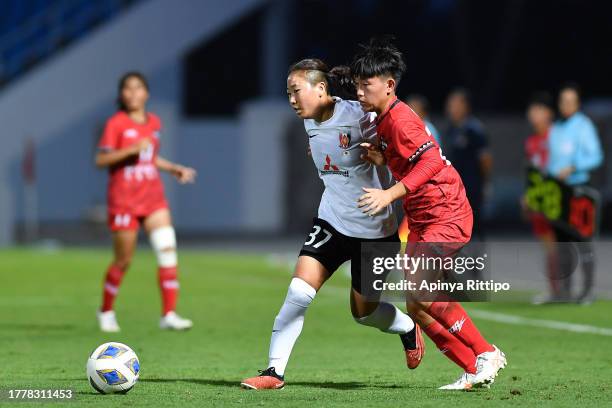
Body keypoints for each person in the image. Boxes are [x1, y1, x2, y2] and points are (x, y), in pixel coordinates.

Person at [241, 59, 423, 390]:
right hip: (332, 222)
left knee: (363, 313)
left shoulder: (361, 117)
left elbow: (403, 157)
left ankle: (408, 327)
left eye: (296, 91)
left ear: (321, 88)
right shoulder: (309, 120)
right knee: (298, 292)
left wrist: (383, 157)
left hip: (376, 233)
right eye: (287, 94)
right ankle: (273, 372)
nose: (292, 100)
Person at [352, 38, 506, 390]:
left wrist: (389, 192)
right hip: (423, 217)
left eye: (366, 85)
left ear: (389, 85)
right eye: (357, 85)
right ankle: (472, 368)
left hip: (445, 211)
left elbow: (432, 160)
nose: (360, 92)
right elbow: (408, 161)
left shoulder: (402, 120)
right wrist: (382, 158)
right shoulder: (384, 121)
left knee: (422, 293)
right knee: (417, 306)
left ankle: (486, 352)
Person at [95, 72, 196, 332]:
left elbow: (149, 158)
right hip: (124, 200)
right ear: (122, 94)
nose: (132, 93)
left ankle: (169, 314)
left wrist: (174, 168)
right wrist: (128, 150)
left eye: (137, 88)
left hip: (152, 198)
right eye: (127, 89)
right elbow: (101, 160)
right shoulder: (115, 124)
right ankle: (106, 311)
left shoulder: (154, 123)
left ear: (146, 93)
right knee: (123, 260)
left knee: (167, 251)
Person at [546, 83, 603, 304]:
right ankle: (565, 291)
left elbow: (596, 156)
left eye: (570, 101)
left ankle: (587, 290)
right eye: (563, 101)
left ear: (577, 104)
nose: (566, 105)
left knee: (583, 241)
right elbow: (552, 161)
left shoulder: (583, 126)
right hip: (559, 192)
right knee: (562, 243)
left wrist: (574, 166)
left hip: (579, 189)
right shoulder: (556, 128)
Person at [522, 92, 561, 304]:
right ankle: (555, 289)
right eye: (532, 110)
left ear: (548, 113)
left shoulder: (556, 137)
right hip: (539, 201)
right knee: (549, 247)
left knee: (561, 245)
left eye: (538, 110)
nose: (533, 114)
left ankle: (564, 289)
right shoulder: (532, 142)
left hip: (556, 200)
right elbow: (532, 174)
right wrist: (528, 197)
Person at [443, 88, 492, 240]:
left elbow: (486, 159)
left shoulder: (474, 129)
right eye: (450, 105)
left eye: (455, 104)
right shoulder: (450, 130)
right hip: (454, 189)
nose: (451, 108)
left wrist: (485, 183)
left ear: (465, 106)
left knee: (474, 227)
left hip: (472, 187)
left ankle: (477, 261)